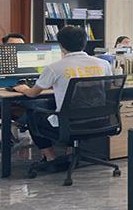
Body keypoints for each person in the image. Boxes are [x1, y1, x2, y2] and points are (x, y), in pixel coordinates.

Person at [13, 26, 113, 161]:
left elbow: (32, 94)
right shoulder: (104, 64)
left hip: (70, 123)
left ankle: (51, 157)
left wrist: (23, 88)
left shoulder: (55, 67)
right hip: (99, 121)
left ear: (61, 45)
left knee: (33, 114)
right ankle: (70, 152)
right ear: (85, 42)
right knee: (53, 104)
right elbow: (107, 88)